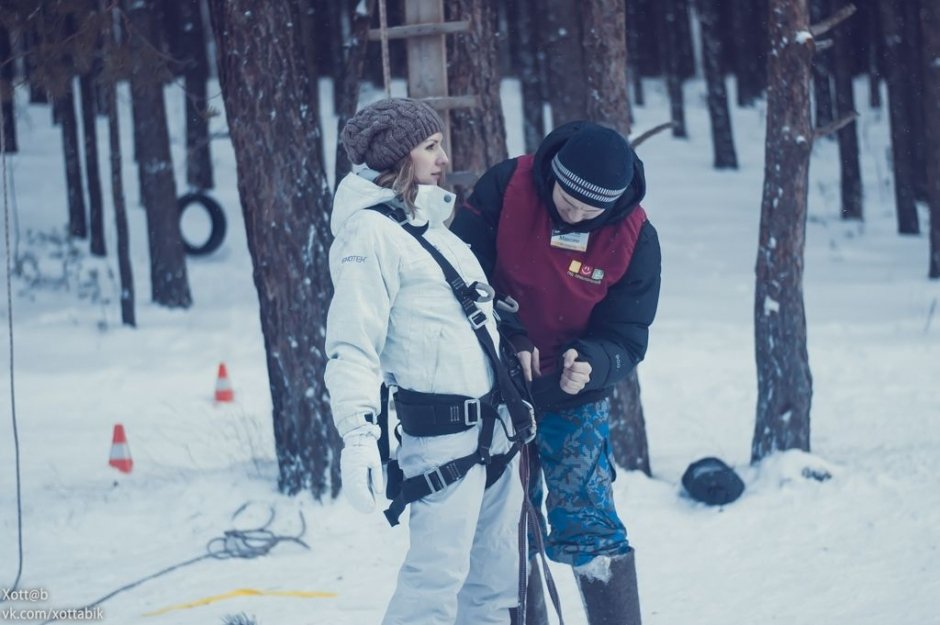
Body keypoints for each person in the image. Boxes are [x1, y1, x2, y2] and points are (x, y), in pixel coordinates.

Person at [324, 98, 529, 625]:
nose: (443, 157)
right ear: (398, 158)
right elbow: (352, 344)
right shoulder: (369, 236)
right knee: (433, 586)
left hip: (495, 430)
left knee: (493, 584)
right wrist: (358, 435)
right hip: (443, 441)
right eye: (430, 147)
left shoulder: (426, 224)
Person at [450, 120, 661, 625]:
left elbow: (628, 336)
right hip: (495, 383)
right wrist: (507, 334)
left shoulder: (636, 239)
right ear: (554, 175)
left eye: (592, 210)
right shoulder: (507, 187)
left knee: (587, 517)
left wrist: (592, 362)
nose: (576, 213)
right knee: (508, 526)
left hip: (573, 393)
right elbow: (458, 274)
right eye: (568, 200)